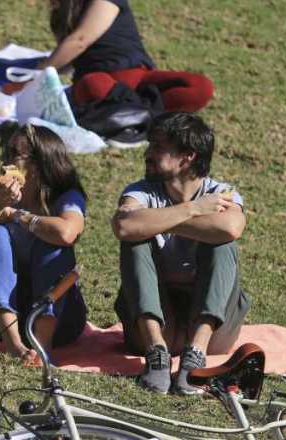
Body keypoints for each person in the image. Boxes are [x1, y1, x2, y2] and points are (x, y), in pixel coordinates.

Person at [111, 112, 249, 395]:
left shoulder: (221, 192)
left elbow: (231, 227)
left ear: (187, 157)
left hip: (213, 333)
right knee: (134, 242)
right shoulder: (140, 192)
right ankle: (156, 353)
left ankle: (195, 355)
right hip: (157, 324)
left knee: (222, 243)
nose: (148, 154)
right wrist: (193, 209)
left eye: (158, 147)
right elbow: (124, 225)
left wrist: (156, 221)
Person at [0, 124, 88, 362]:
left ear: (40, 163)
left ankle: (42, 345)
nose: (7, 161)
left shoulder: (64, 195)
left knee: (51, 240)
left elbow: (67, 233)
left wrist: (17, 215)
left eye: (16, 154)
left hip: (60, 323)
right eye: (7, 152)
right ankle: (14, 344)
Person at [34, 0, 213, 113]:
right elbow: (72, 55)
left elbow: (81, 40)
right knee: (93, 85)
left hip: (139, 78)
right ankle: (138, 113)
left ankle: (140, 113)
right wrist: (40, 73)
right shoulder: (64, 11)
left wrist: (40, 71)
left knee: (200, 86)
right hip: (100, 81)